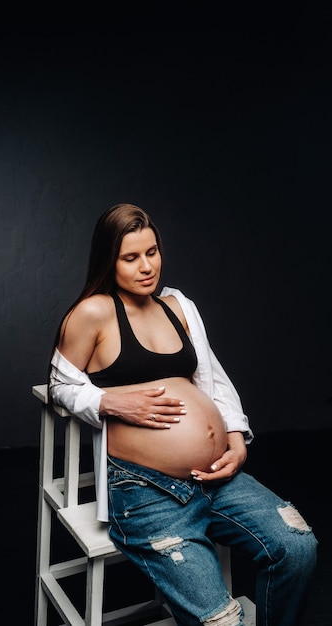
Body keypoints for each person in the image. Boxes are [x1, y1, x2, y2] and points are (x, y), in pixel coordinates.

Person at [49, 203, 317, 626]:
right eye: (130, 257)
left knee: (299, 548)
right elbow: (59, 386)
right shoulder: (93, 313)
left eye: (151, 252)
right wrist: (109, 402)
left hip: (214, 478)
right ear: (108, 260)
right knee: (222, 620)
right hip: (144, 490)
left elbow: (214, 377)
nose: (145, 267)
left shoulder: (178, 306)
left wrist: (233, 438)